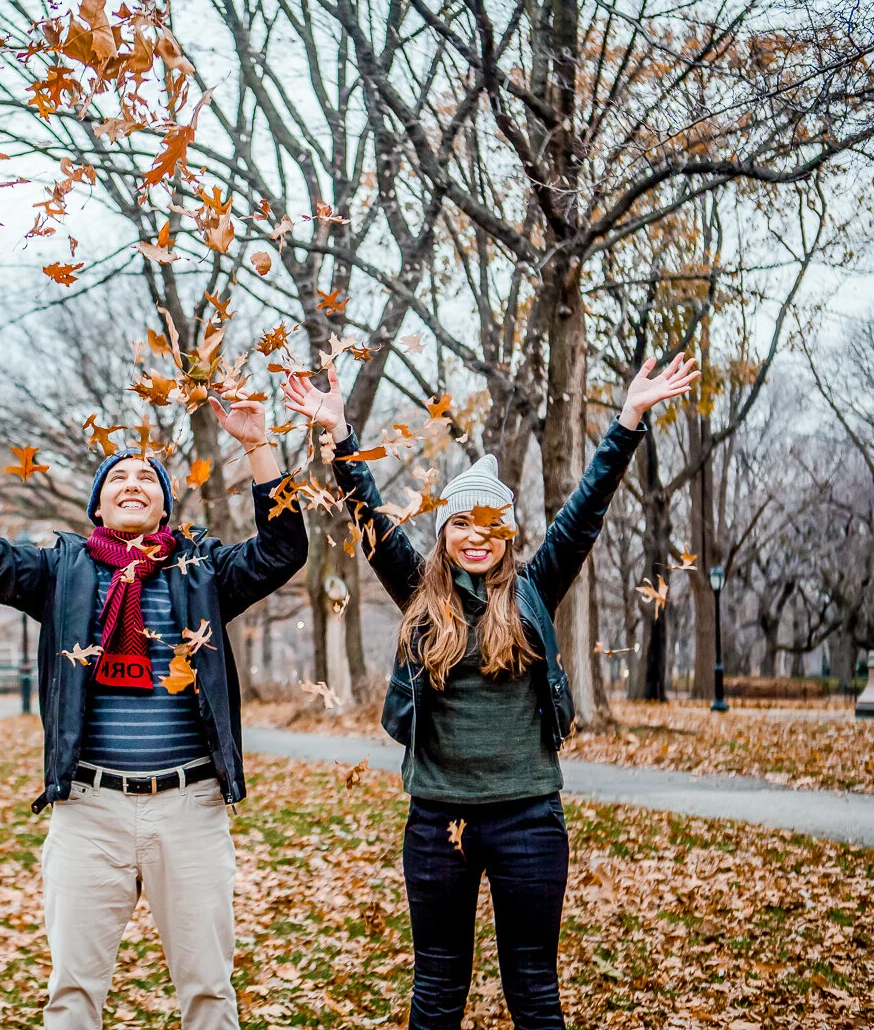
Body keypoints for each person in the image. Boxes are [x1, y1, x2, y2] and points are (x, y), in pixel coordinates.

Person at [286, 353, 698, 1030]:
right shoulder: (420, 596)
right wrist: (339, 438)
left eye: (492, 527)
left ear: (508, 536)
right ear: (444, 535)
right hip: (435, 825)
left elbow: (587, 510)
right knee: (437, 990)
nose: (477, 538)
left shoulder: (534, 592)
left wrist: (628, 419)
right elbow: (369, 519)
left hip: (529, 820)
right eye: (462, 525)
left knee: (534, 990)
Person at [0, 384, 308, 1030]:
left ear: (164, 504)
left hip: (189, 809)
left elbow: (281, 551)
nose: (133, 483)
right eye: (118, 478)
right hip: (89, 811)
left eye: (147, 478)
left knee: (210, 993)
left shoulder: (201, 571)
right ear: (99, 504)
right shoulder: (61, 572)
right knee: (72, 994)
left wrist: (258, 445)